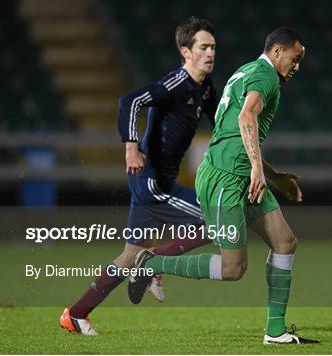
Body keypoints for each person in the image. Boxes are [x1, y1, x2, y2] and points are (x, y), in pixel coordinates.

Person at [128, 27, 318, 345]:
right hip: (225, 179)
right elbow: (246, 119)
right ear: (277, 52)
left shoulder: (248, 70)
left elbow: (235, 132)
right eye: (295, 59)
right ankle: (153, 263)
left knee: (285, 243)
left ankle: (275, 332)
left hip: (242, 175)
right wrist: (258, 168)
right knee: (233, 269)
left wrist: (271, 175)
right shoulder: (265, 76)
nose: (296, 67)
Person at [59, 17, 217, 336]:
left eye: (213, 47)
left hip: (158, 181)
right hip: (152, 181)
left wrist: (263, 169)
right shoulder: (177, 83)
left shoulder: (205, 90)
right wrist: (131, 146)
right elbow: (129, 101)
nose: (211, 52)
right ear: (185, 51)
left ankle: (75, 314)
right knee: (216, 222)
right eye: (204, 47)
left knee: (131, 255)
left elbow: (226, 128)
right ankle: (154, 264)